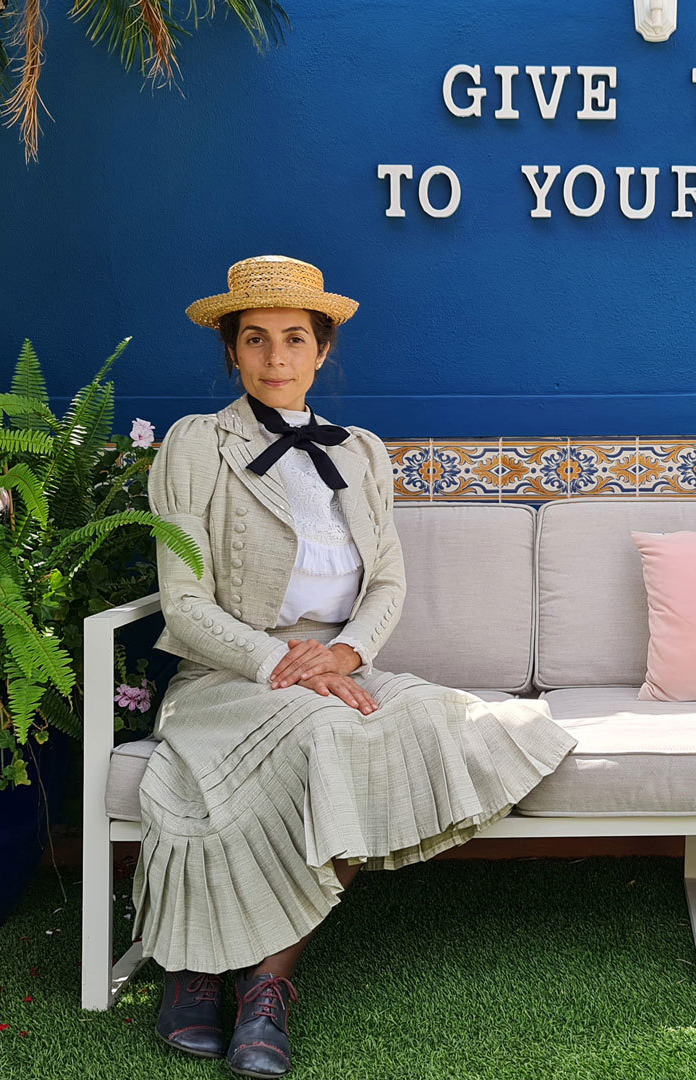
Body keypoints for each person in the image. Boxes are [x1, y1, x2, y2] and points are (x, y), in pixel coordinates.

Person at [134, 255, 578, 1078]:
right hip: (230, 673)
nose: (276, 358)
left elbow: (388, 583)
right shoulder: (197, 444)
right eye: (256, 340)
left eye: (294, 340)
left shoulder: (364, 451)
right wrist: (281, 661)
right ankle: (201, 968)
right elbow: (184, 603)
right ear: (232, 352)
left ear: (322, 352)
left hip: (341, 669)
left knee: (404, 723)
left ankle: (265, 986)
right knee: (331, 731)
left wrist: (342, 654)